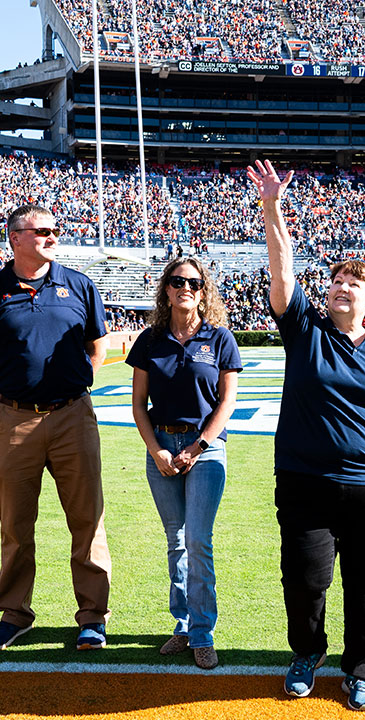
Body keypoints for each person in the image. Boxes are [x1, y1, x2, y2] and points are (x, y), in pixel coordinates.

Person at [249, 160, 365, 712]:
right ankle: (307, 652)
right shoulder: (305, 331)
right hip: (306, 480)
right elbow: (281, 273)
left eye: (354, 284)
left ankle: (362, 668)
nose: (341, 288)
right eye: (336, 283)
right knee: (304, 577)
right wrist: (272, 206)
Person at [0, 204, 112, 652]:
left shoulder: (79, 285)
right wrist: (18, 396)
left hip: (72, 416)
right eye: (41, 231)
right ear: (15, 238)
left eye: (53, 230)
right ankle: (15, 613)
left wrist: (64, 389)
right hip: (13, 420)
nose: (52, 236)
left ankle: (92, 616)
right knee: (14, 523)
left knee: (88, 520)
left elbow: (97, 348)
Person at [127, 257, 241, 670]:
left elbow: (227, 402)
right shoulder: (149, 340)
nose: (185, 287)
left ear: (204, 290)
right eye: (177, 281)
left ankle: (203, 632)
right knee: (175, 540)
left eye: (193, 281)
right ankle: (183, 624)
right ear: (166, 289)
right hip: (160, 444)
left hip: (205, 449)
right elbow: (139, 405)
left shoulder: (220, 338)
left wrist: (198, 446)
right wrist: (156, 448)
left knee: (198, 538)